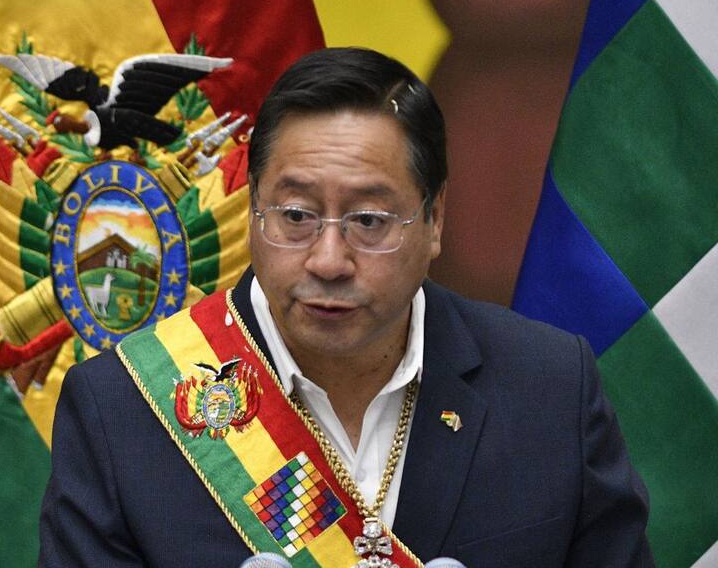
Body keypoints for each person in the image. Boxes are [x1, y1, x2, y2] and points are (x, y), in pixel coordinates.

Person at [39, 47, 654, 567]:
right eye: (296, 216)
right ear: (252, 209)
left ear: (435, 219)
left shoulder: (550, 388)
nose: (329, 260)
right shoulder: (122, 407)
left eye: (369, 220)